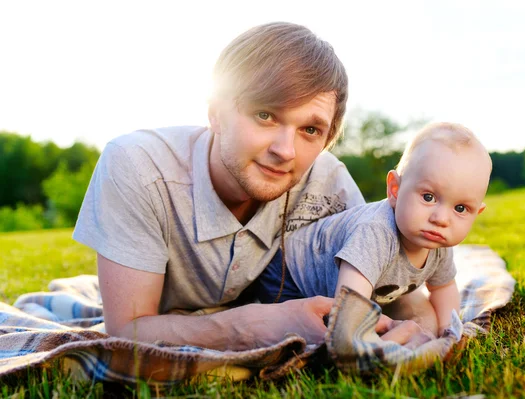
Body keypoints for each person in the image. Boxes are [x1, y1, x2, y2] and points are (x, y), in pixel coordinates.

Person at [73, 22, 395, 351]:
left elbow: (399, 290)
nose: (285, 151)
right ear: (215, 113)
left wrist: (415, 329)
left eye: (310, 129)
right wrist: (254, 325)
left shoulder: (330, 181)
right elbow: (126, 331)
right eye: (265, 114)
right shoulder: (137, 165)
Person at [258, 122, 492, 338]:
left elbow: (443, 287)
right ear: (395, 190)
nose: (441, 218)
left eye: (460, 208)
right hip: (288, 276)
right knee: (309, 333)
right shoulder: (375, 233)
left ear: (476, 213)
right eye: (428, 197)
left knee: (423, 326)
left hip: (341, 284)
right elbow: (350, 302)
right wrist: (360, 336)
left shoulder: (438, 241)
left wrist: (449, 332)